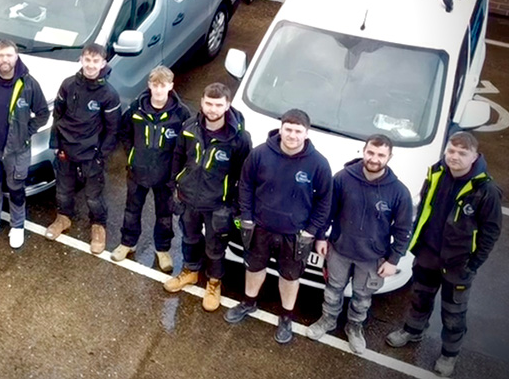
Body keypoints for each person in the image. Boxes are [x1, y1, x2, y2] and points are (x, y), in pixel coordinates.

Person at [385, 132, 502, 377]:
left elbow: (491, 232)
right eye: (451, 151)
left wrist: (474, 264)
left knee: (453, 313)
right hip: (428, 253)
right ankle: (413, 331)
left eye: (462, 153)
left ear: (475, 156)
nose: (455, 157)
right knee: (419, 298)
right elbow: (425, 208)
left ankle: (449, 354)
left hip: (459, 264)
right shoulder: (436, 172)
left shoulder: (486, 190)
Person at [225, 108, 332, 344]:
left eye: (298, 131)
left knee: (290, 276)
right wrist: (247, 217)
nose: (292, 135)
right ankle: (249, 302)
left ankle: (286, 317)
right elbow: (245, 186)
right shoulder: (260, 154)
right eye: (288, 129)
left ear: (306, 133)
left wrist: (311, 231)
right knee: (253, 268)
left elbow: (324, 201)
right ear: (281, 128)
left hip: (295, 234)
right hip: (260, 227)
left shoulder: (318, 164)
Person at [306, 134, 412, 354]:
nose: (374, 159)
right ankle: (328, 320)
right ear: (363, 151)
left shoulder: (399, 192)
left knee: (362, 297)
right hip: (339, 250)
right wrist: (321, 237)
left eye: (381, 155)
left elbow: (403, 230)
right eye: (371, 152)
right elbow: (327, 211)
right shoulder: (342, 178)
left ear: (390, 157)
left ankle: (354, 327)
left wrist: (393, 259)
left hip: (372, 258)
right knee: (333, 290)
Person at [163, 83, 251, 311]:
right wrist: (175, 186)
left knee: (215, 247)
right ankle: (190, 271)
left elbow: (244, 176)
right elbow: (178, 156)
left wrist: (233, 206)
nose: (212, 109)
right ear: (201, 102)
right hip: (188, 198)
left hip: (217, 205)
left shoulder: (239, 139)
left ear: (227, 105)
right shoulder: (189, 127)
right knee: (189, 238)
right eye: (209, 103)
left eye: (218, 105)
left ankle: (213, 283)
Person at [0, 39, 49, 249]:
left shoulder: (28, 83)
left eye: (8, 55)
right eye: (0, 55)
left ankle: (17, 226)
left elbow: (42, 113)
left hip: (16, 150)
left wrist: (26, 132)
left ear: (15, 56)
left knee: (16, 187)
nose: (4, 60)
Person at [112, 66, 191, 273]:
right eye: (155, 85)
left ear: (170, 86)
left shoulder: (181, 114)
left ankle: (162, 250)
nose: (158, 90)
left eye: (162, 85)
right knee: (131, 210)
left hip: (165, 176)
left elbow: (186, 145)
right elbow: (124, 132)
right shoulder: (136, 109)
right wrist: (132, 156)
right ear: (149, 85)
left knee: (164, 214)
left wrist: (177, 172)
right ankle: (127, 243)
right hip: (138, 172)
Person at [45, 44, 121, 254]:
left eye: (95, 61)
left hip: (91, 154)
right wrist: (56, 145)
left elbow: (113, 129)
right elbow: (57, 116)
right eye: (87, 60)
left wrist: (101, 155)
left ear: (103, 63)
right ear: (81, 60)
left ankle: (98, 226)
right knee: (63, 191)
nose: (90, 65)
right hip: (66, 150)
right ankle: (63, 218)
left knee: (93, 196)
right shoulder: (68, 85)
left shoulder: (109, 94)